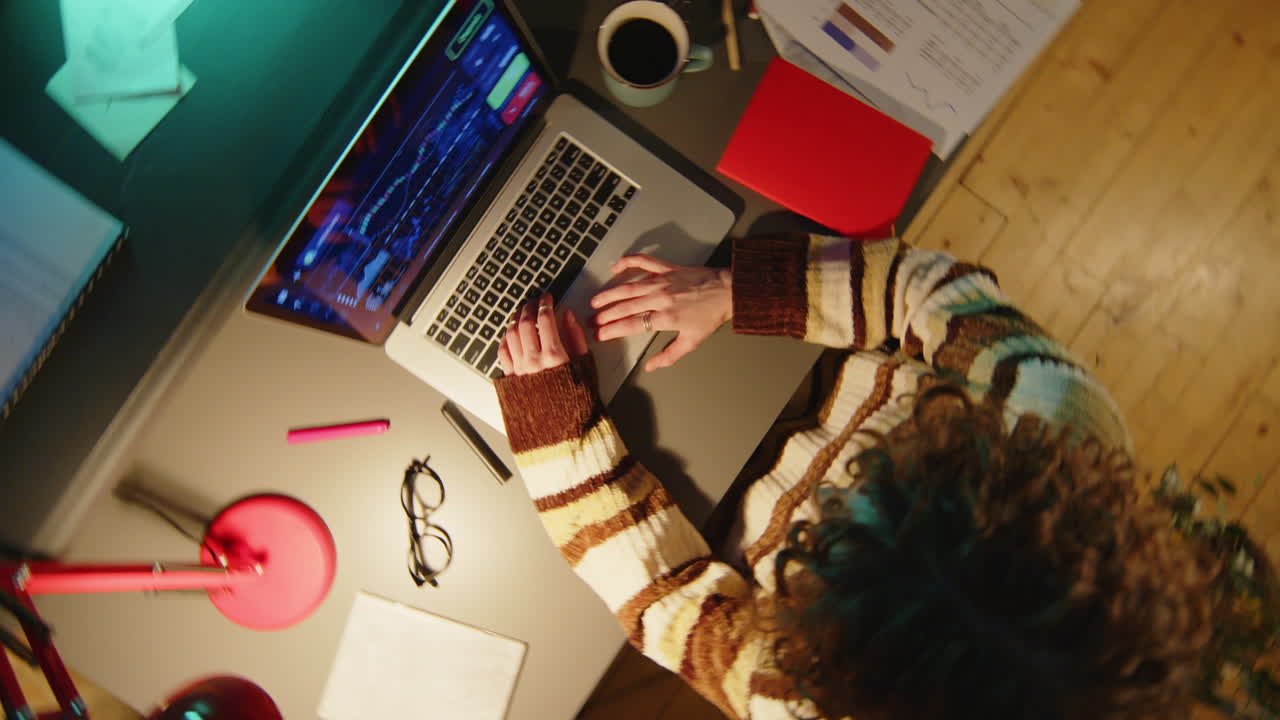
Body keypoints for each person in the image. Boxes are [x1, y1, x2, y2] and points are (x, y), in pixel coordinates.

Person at [493, 233, 1217, 720]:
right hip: (797, 352)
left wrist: (560, 433)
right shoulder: (1064, 423)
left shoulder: (814, 703)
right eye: (906, 476)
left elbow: (671, 609)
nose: (845, 492)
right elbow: (929, 290)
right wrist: (737, 289)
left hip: (693, 494)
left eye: (837, 543)